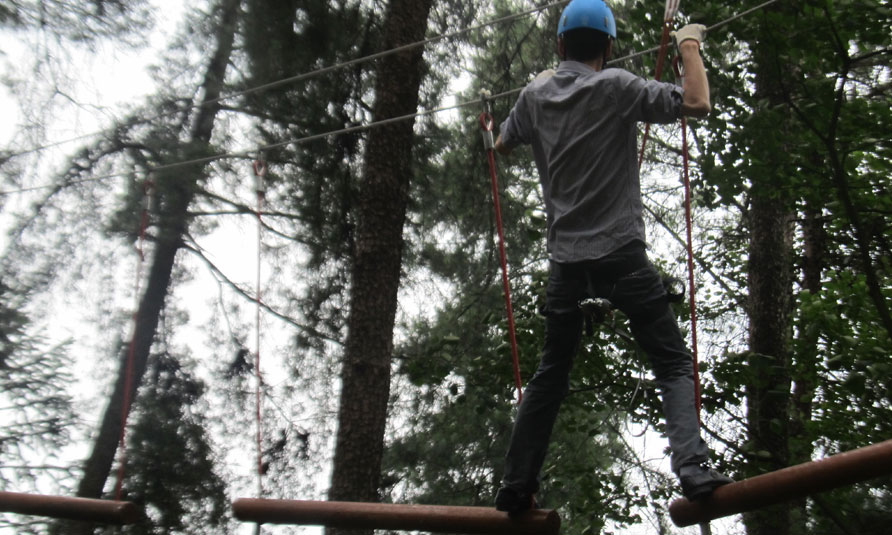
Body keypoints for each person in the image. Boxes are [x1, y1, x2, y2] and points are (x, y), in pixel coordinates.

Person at [492, 0, 732, 515]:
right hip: (622, 255)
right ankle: (691, 466)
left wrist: (530, 102)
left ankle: (516, 484)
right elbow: (696, 102)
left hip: (566, 265)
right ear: (609, 47)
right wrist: (688, 44)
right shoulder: (619, 87)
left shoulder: (534, 96)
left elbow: (502, 144)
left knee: (550, 374)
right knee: (670, 361)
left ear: (560, 46)